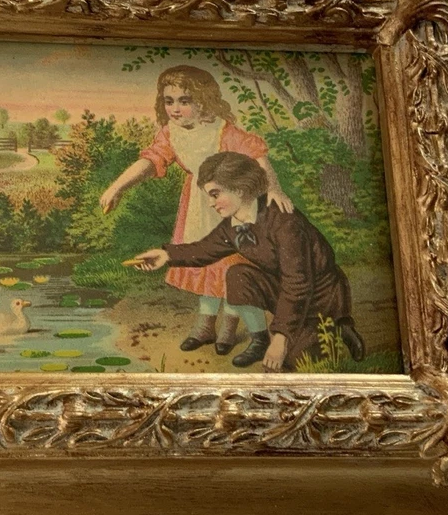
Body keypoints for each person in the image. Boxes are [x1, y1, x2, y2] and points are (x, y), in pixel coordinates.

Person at [100, 65, 294, 354]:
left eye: (185, 101)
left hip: (230, 204)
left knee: (231, 267)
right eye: (169, 101)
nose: (175, 109)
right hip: (196, 206)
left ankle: (228, 327)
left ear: (203, 101)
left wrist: (274, 189)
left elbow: (257, 157)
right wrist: (118, 187)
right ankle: (205, 326)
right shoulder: (170, 134)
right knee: (203, 264)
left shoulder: (223, 131)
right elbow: (151, 161)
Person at [133, 152, 365, 371]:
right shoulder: (234, 224)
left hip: (319, 295)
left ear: (240, 189)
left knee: (293, 361)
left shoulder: (284, 222)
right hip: (283, 290)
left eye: (215, 194)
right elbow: (203, 250)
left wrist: (281, 339)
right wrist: (166, 255)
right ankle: (261, 340)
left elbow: (298, 284)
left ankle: (341, 326)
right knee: (237, 275)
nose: (211, 203)